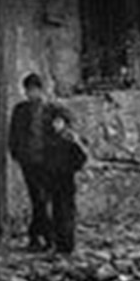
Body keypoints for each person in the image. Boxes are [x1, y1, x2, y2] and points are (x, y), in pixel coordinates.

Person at [8, 72, 53, 250]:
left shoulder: (50, 109)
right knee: (38, 198)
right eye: (28, 90)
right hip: (28, 160)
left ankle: (36, 235)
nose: (30, 93)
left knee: (43, 199)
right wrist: (16, 152)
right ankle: (46, 237)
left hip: (47, 160)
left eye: (34, 90)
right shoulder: (20, 110)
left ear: (41, 90)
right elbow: (13, 133)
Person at [43, 103, 88, 254]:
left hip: (66, 180)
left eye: (59, 122)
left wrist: (70, 168)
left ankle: (67, 244)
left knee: (67, 212)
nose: (55, 125)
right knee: (57, 212)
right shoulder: (50, 140)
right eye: (54, 122)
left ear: (65, 123)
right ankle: (59, 243)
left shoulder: (70, 139)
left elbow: (81, 157)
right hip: (54, 180)